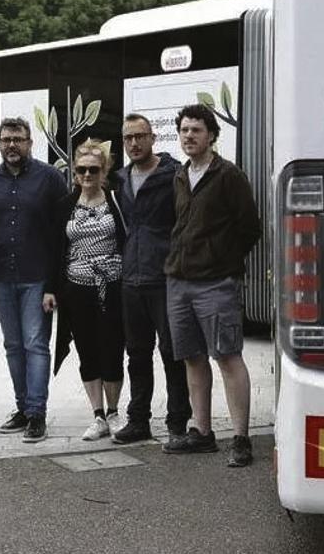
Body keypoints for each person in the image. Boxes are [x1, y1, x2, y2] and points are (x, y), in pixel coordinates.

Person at [163, 104, 262, 467]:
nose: (189, 136)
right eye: (185, 130)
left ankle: (241, 438)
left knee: (227, 356)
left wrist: (223, 262)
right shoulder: (179, 175)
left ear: (211, 135)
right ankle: (202, 432)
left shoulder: (228, 175)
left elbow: (249, 227)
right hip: (178, 280)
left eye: (196, 131)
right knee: (192, 357)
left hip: (216, 283)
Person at [0, 117, 67, 443]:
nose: (11, 145)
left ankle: (37, 413)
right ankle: (22, 408)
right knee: (13, 345)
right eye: (6, 139)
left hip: (37, 277)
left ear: (30, 143)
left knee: (35, 344)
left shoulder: (50, 178)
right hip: (1, 275)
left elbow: (61, 233)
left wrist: (55, 284)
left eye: (18, 139)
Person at [112, 114, 191, 445]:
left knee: (172, 352)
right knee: (137, 353)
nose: (134, 143)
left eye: (140, 136)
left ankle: (177, 423)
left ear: (153, 137)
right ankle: (138, 420)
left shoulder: (173, 175)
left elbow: (186, 223)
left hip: (165, 278)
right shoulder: (119, 179)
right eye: (128, 138)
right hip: (131, 279)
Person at [50, 139, 127, 441]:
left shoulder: (116, 202)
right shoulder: (64, 207)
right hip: (76, 290)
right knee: (87, 351)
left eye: (93, 170)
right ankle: (97, 415)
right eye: (81, 169)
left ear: (104, 170)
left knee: (113, 349)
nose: (86, 175)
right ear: (73, 171)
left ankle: (114, 412)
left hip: (112, 287)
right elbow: (55, 250)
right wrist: (52, 290)